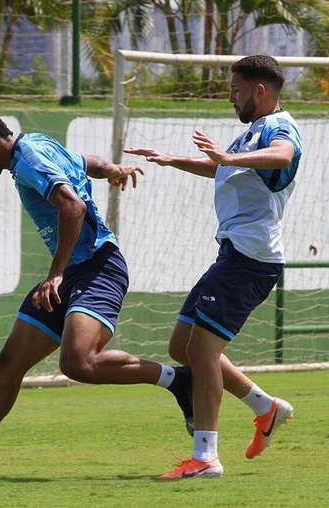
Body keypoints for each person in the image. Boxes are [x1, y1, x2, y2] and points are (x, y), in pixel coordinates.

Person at [0, 106, 193, 478]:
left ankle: (178, 380)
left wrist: (55, 275)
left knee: (79, 362)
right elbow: (83, 160)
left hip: (97, 266)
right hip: (74, 271)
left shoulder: (28, 160)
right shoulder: (37, 144)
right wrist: (113, 169)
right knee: (9, 364)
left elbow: (72, 206)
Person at [126, 55, 302, 479]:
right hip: (234, 254)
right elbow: (221, 166)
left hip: (250, 257)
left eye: (236, 90)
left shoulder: (280, 128)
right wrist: (172, 160)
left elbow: (284, 155)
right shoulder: (250, 135)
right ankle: (266, 406)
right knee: (182, 344)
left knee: (202, 351)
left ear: (260, 91)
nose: (231, 97)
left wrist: (228, 155)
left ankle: (205, 457)